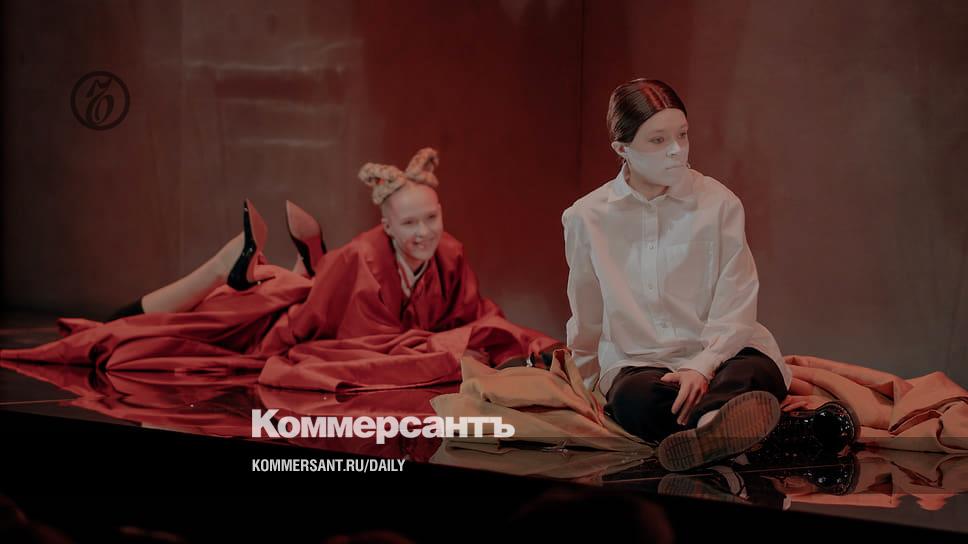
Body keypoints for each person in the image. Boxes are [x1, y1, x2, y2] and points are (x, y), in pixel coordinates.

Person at [1, 148, 561, 391]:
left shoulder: (450, 252)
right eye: (409, 223)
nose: (424, 233)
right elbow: (361, 347)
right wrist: (453, 348)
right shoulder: (365, 258)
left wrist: (500, 342)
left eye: (431, 218)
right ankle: (233, 267)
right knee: (152, 332)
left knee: (178, 320)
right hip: (284, 328)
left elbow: (472, 313)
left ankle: (285, 266)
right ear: (386, 226)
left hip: (315, 297)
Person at [562, 79, 792, 471]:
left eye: (682, 135)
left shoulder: (719, 203)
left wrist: (702, 365)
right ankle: (723, 427)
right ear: (622, 149)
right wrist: (585, 385)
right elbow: (588, 312)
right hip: (642, 363)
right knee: (633, 399)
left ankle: (707, 425)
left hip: (725, 355)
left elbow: (736, 301)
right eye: (658, 140)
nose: (677, 150)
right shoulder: (586, 217)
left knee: (755, 371)